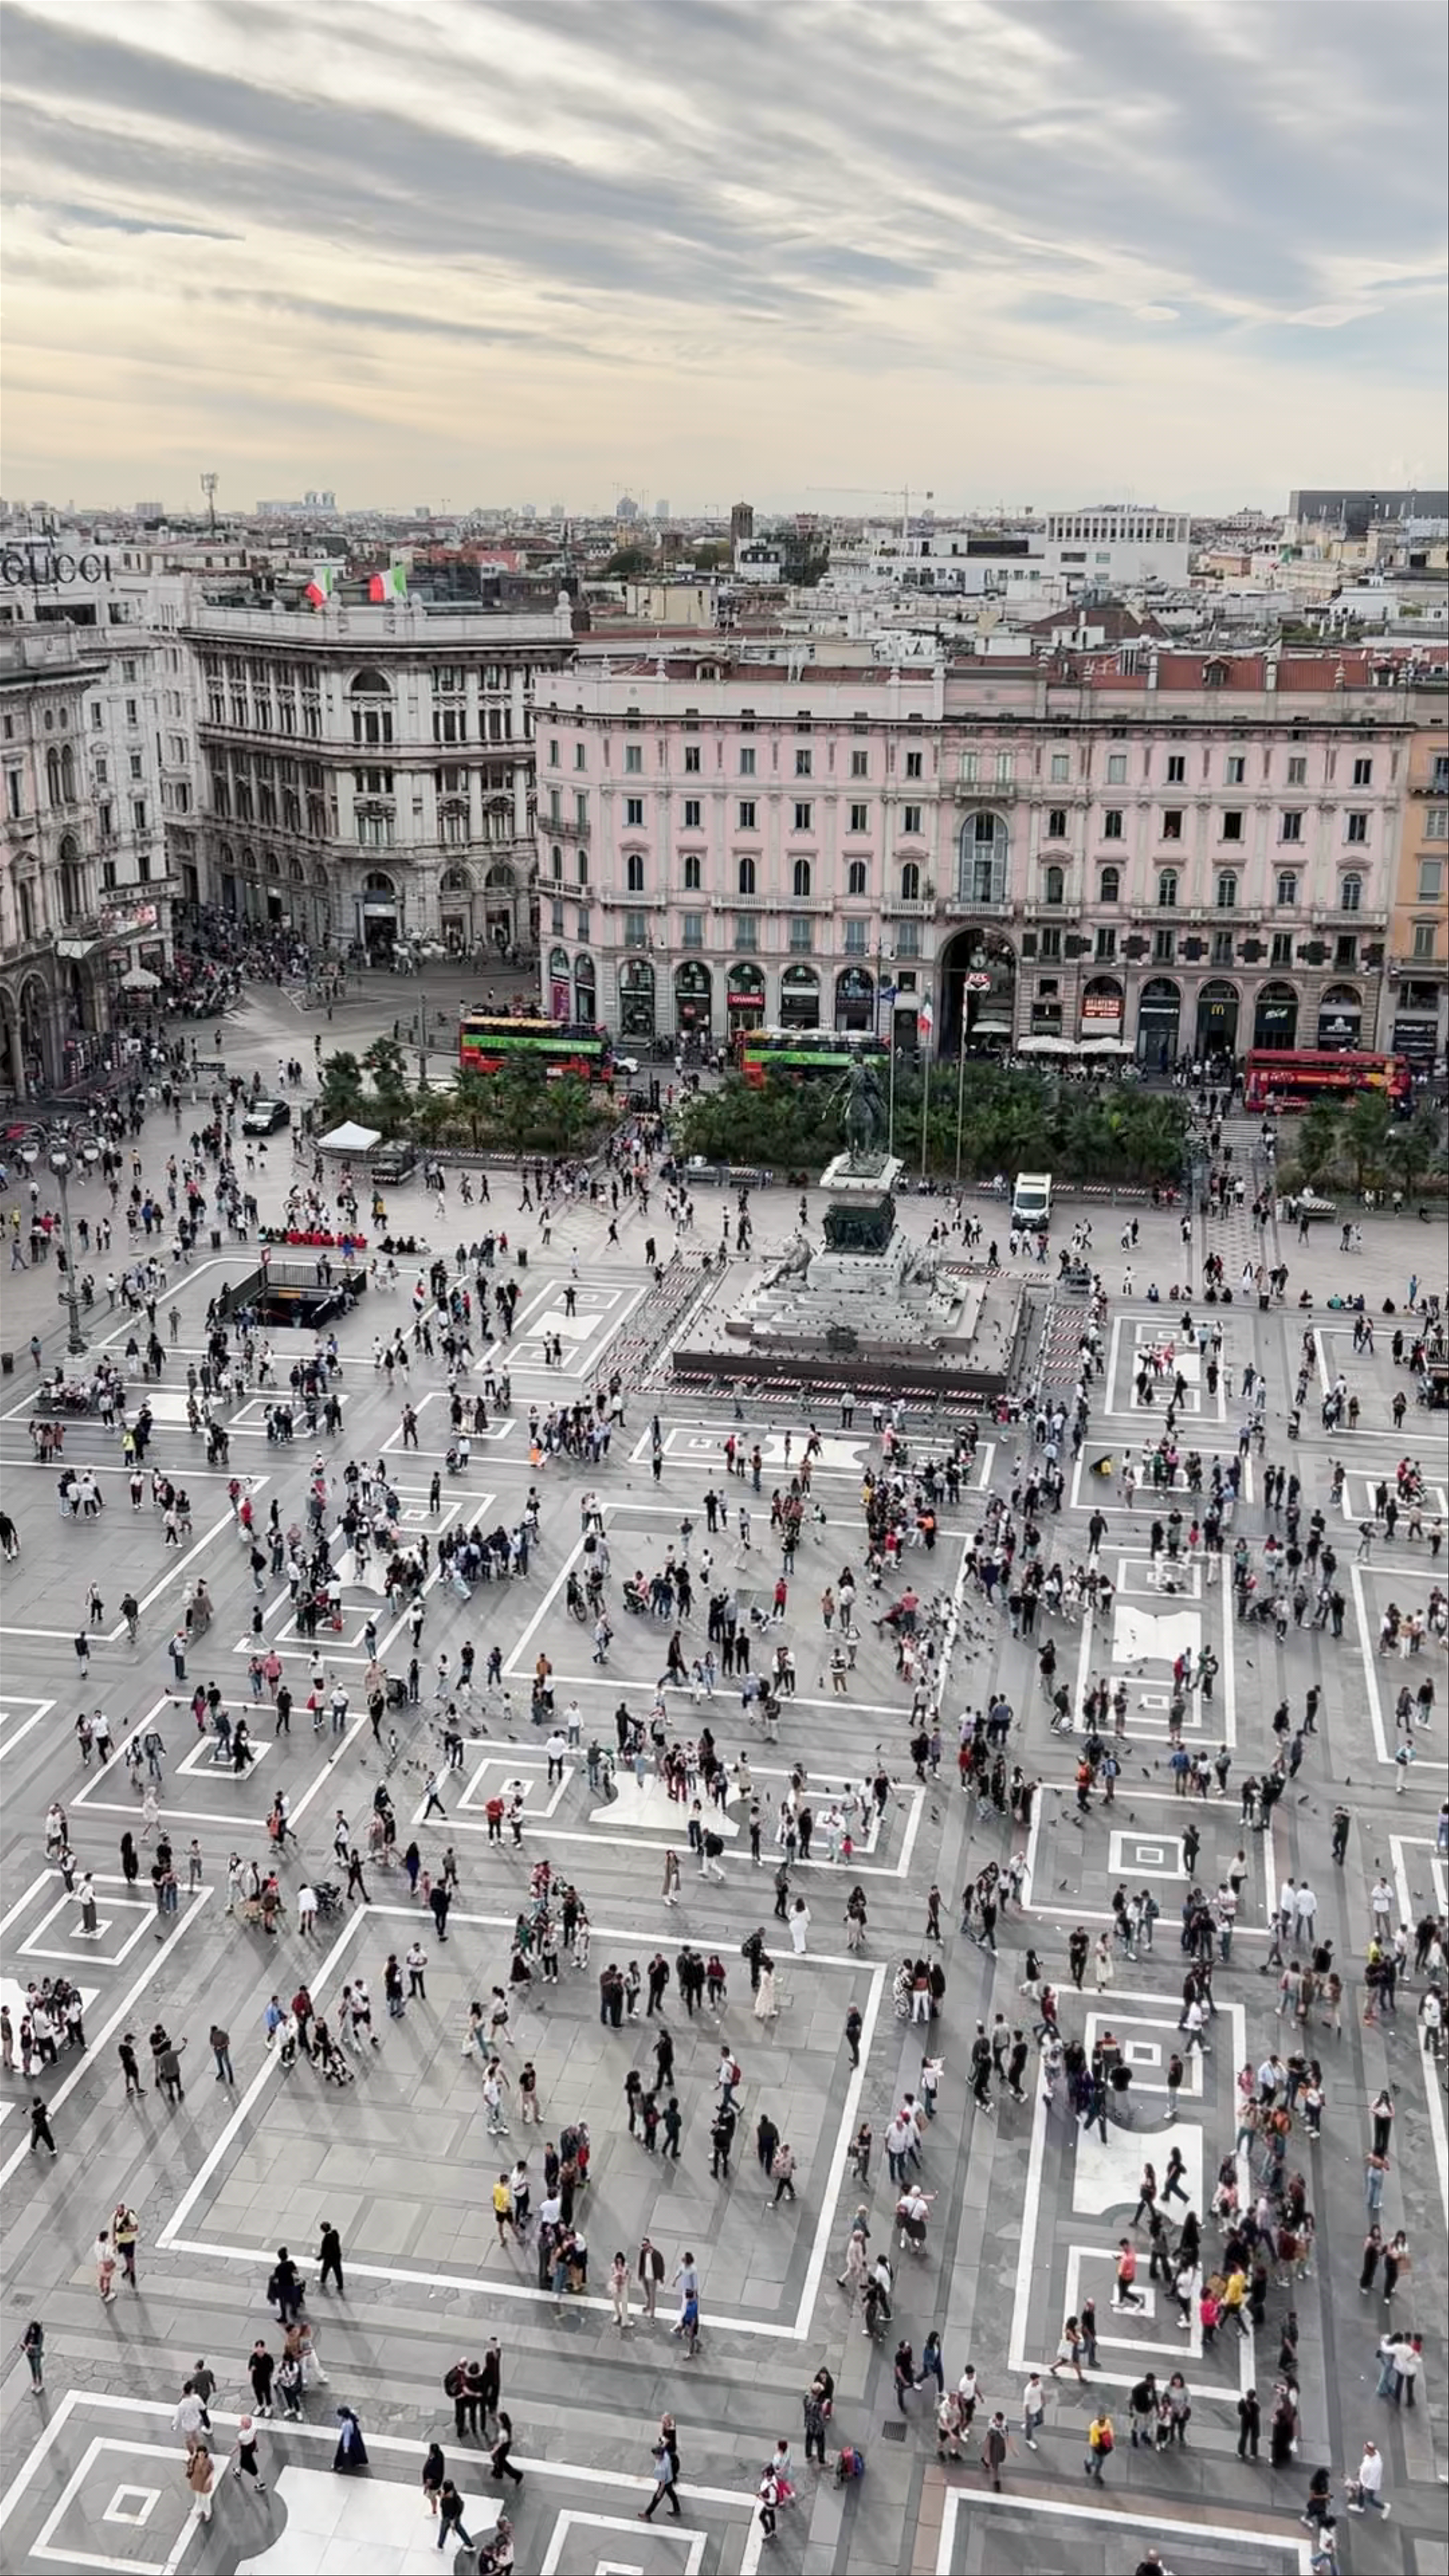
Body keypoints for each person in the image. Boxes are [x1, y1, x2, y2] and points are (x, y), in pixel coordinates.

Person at [437, 2481, 474, 2551]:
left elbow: (447, 2510)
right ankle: (470, 2545)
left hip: (449, 2518)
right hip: (455, 2517)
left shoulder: (449, 2500)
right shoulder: (455, 2495)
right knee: (460, 2529)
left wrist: (452, 2520)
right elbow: (461, 2506)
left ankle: (440, 2546)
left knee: (444, 2530)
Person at [333, 2405, 369, 2472]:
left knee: (343, 2454)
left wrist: (346, 2447)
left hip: (350, 2439)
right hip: (355, 2438)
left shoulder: (346, 2425)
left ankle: (340, 2465)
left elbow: (347, 2436)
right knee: (357, 2451)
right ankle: (359, 2461)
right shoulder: (352, 2418)